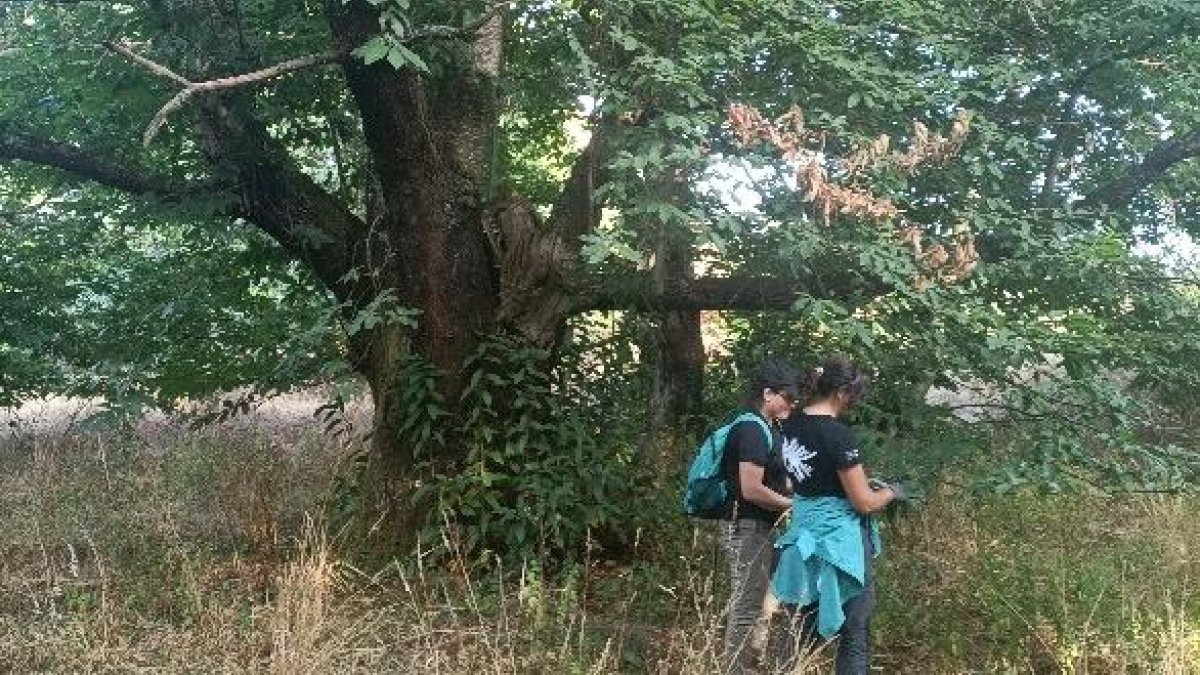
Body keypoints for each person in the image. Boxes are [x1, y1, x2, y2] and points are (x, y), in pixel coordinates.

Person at [771, 355, 909, 674]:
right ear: (843, 393)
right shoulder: (838, 436)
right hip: (839, 541)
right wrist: (890, 492)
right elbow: (864, 502)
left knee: (798, 623)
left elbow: (798, 479)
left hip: (803, 534)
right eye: (854, 395)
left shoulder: (791, 424)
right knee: (854, 630)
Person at [719, 358, 800, 672]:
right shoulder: (751, 429)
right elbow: (751, 489)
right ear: (768, 393)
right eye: (788, 398)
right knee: (747, 608)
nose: (791, 406)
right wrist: (791, 505)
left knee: (764, 607)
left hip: (763, 528)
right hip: (747, 528)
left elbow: (777, 477)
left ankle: (749, 666)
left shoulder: (769, 428)